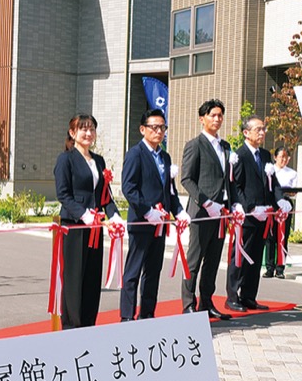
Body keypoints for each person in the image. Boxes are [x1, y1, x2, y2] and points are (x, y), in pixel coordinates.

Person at [53, 114, 124, 327]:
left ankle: (88, 325)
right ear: (72, 133)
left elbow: (105, 195)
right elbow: (63, 194)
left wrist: (115, 215)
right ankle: (71, 326)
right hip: (75, 227)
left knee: (92, 278)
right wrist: (83, 214)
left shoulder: (98, 160)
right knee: (74, 280)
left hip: (95, 228)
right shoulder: (66, 159)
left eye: (91, 128)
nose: (88, 133)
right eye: (82, 128)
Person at [119, 108, 188, 322]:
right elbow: (128, 188)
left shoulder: (164, 157)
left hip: (161, 224)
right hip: (142, 222)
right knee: (133, 271)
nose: (159, 131)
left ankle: (147, 313)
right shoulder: (135, 154)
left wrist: (179, 211)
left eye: (162, 127)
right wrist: (147, 210)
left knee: (153, 271)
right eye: (154, 127)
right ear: (143, 129)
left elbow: (170, 190)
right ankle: (127, 316)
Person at [225, 116, 290, 312]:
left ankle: (249, 296)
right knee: (240, 257)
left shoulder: (265, 155)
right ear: (246, 132)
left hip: (265, 215)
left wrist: (279, 200)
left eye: (263, 129)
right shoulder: (239, 155)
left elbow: (273, 183)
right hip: (247, 216)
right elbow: (235, 186)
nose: (262, 133)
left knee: (255, 256)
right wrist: (251, 208)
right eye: (258, 129)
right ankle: (232, 296)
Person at [179, 99, 234, 320]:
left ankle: (207, 302)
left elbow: (228, 179)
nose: (217, 119)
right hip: (202, 212)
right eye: (213, 115)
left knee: (213, 261)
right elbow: (187, 179)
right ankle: (188, 305)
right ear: (202, 118)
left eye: (220, 115)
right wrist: (206, 203)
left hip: (221, 213)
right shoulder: (195, 144)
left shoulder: (226, 146)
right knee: (194, 260)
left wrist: (231, 205)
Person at [264, 146, 298, 279]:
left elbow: (294, 192)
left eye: (285, 157)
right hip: (272, 204)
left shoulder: (292, 173)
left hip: (286, 205)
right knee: (270, 237)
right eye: (280, 157)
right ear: (275, 157)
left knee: (283, 237)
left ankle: (280, 268)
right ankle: (269, 267)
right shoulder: (270, 170)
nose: (283, 159)